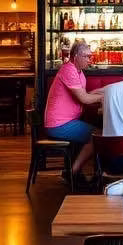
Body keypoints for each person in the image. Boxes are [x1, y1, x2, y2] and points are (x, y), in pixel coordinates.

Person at [44, 41, 104, 176]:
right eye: (87, 56)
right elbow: (84, 98)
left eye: (90, 56)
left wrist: (105, 93)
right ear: (76, 56)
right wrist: (103, 98)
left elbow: (85, 95)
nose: (90, 59)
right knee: (98, 136)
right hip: (59, 124)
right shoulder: (69, 70)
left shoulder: (79, 72)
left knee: (98, 132)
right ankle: (72, 173)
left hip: (68, 122)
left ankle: (76, 173)